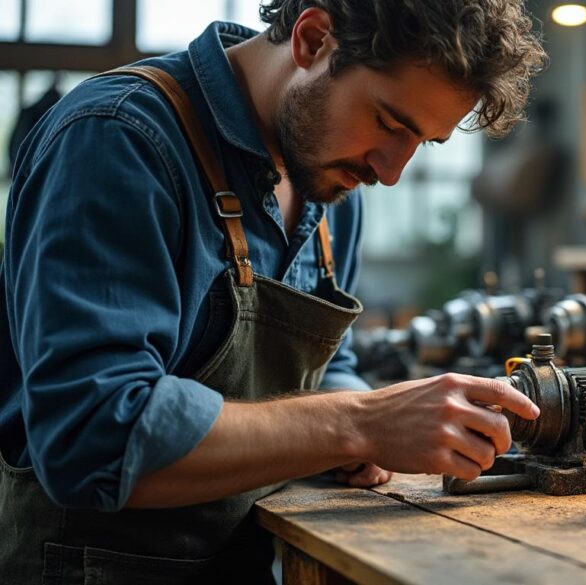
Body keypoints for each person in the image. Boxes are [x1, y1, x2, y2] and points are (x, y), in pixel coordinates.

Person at [0, 1, 547, 583]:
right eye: (390, 122)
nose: (391, 172)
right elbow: (93, 435)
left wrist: (375, 423)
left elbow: (328, 373)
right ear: (312, 40)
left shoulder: (332, 184)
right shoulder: (118, 137)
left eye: (424, 143)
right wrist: (358, 422)